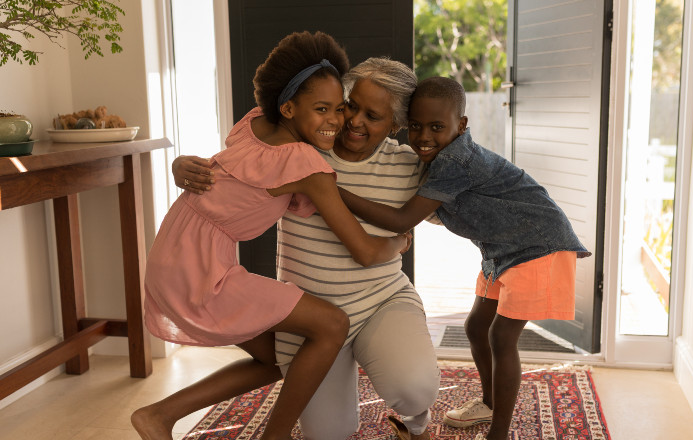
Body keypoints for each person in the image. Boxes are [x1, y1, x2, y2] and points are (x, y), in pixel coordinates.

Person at [131, 32, 413, 440]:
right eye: (321, 109)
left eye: (339, 108)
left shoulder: (252, 123)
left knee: (277, 359)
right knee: (332, 324)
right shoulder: (305, 163)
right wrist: (400, 241)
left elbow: (227, 172)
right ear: (288, 107)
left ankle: (158, 415)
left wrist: (178, 164)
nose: (337, 121)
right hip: (200, 267)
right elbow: (367, 252)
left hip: (174, 252)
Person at [338, 76, 592, 440]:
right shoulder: (437, 158)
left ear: (462, 126)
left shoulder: (456, 160)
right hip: (501, 250)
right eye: (416, 126)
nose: (423, 136)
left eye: (437, 127)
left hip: (538, 246)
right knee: (476, 327)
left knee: (502, 337)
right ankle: (489, 405)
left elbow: (402, 219)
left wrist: (331, 190)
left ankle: (499, 434)